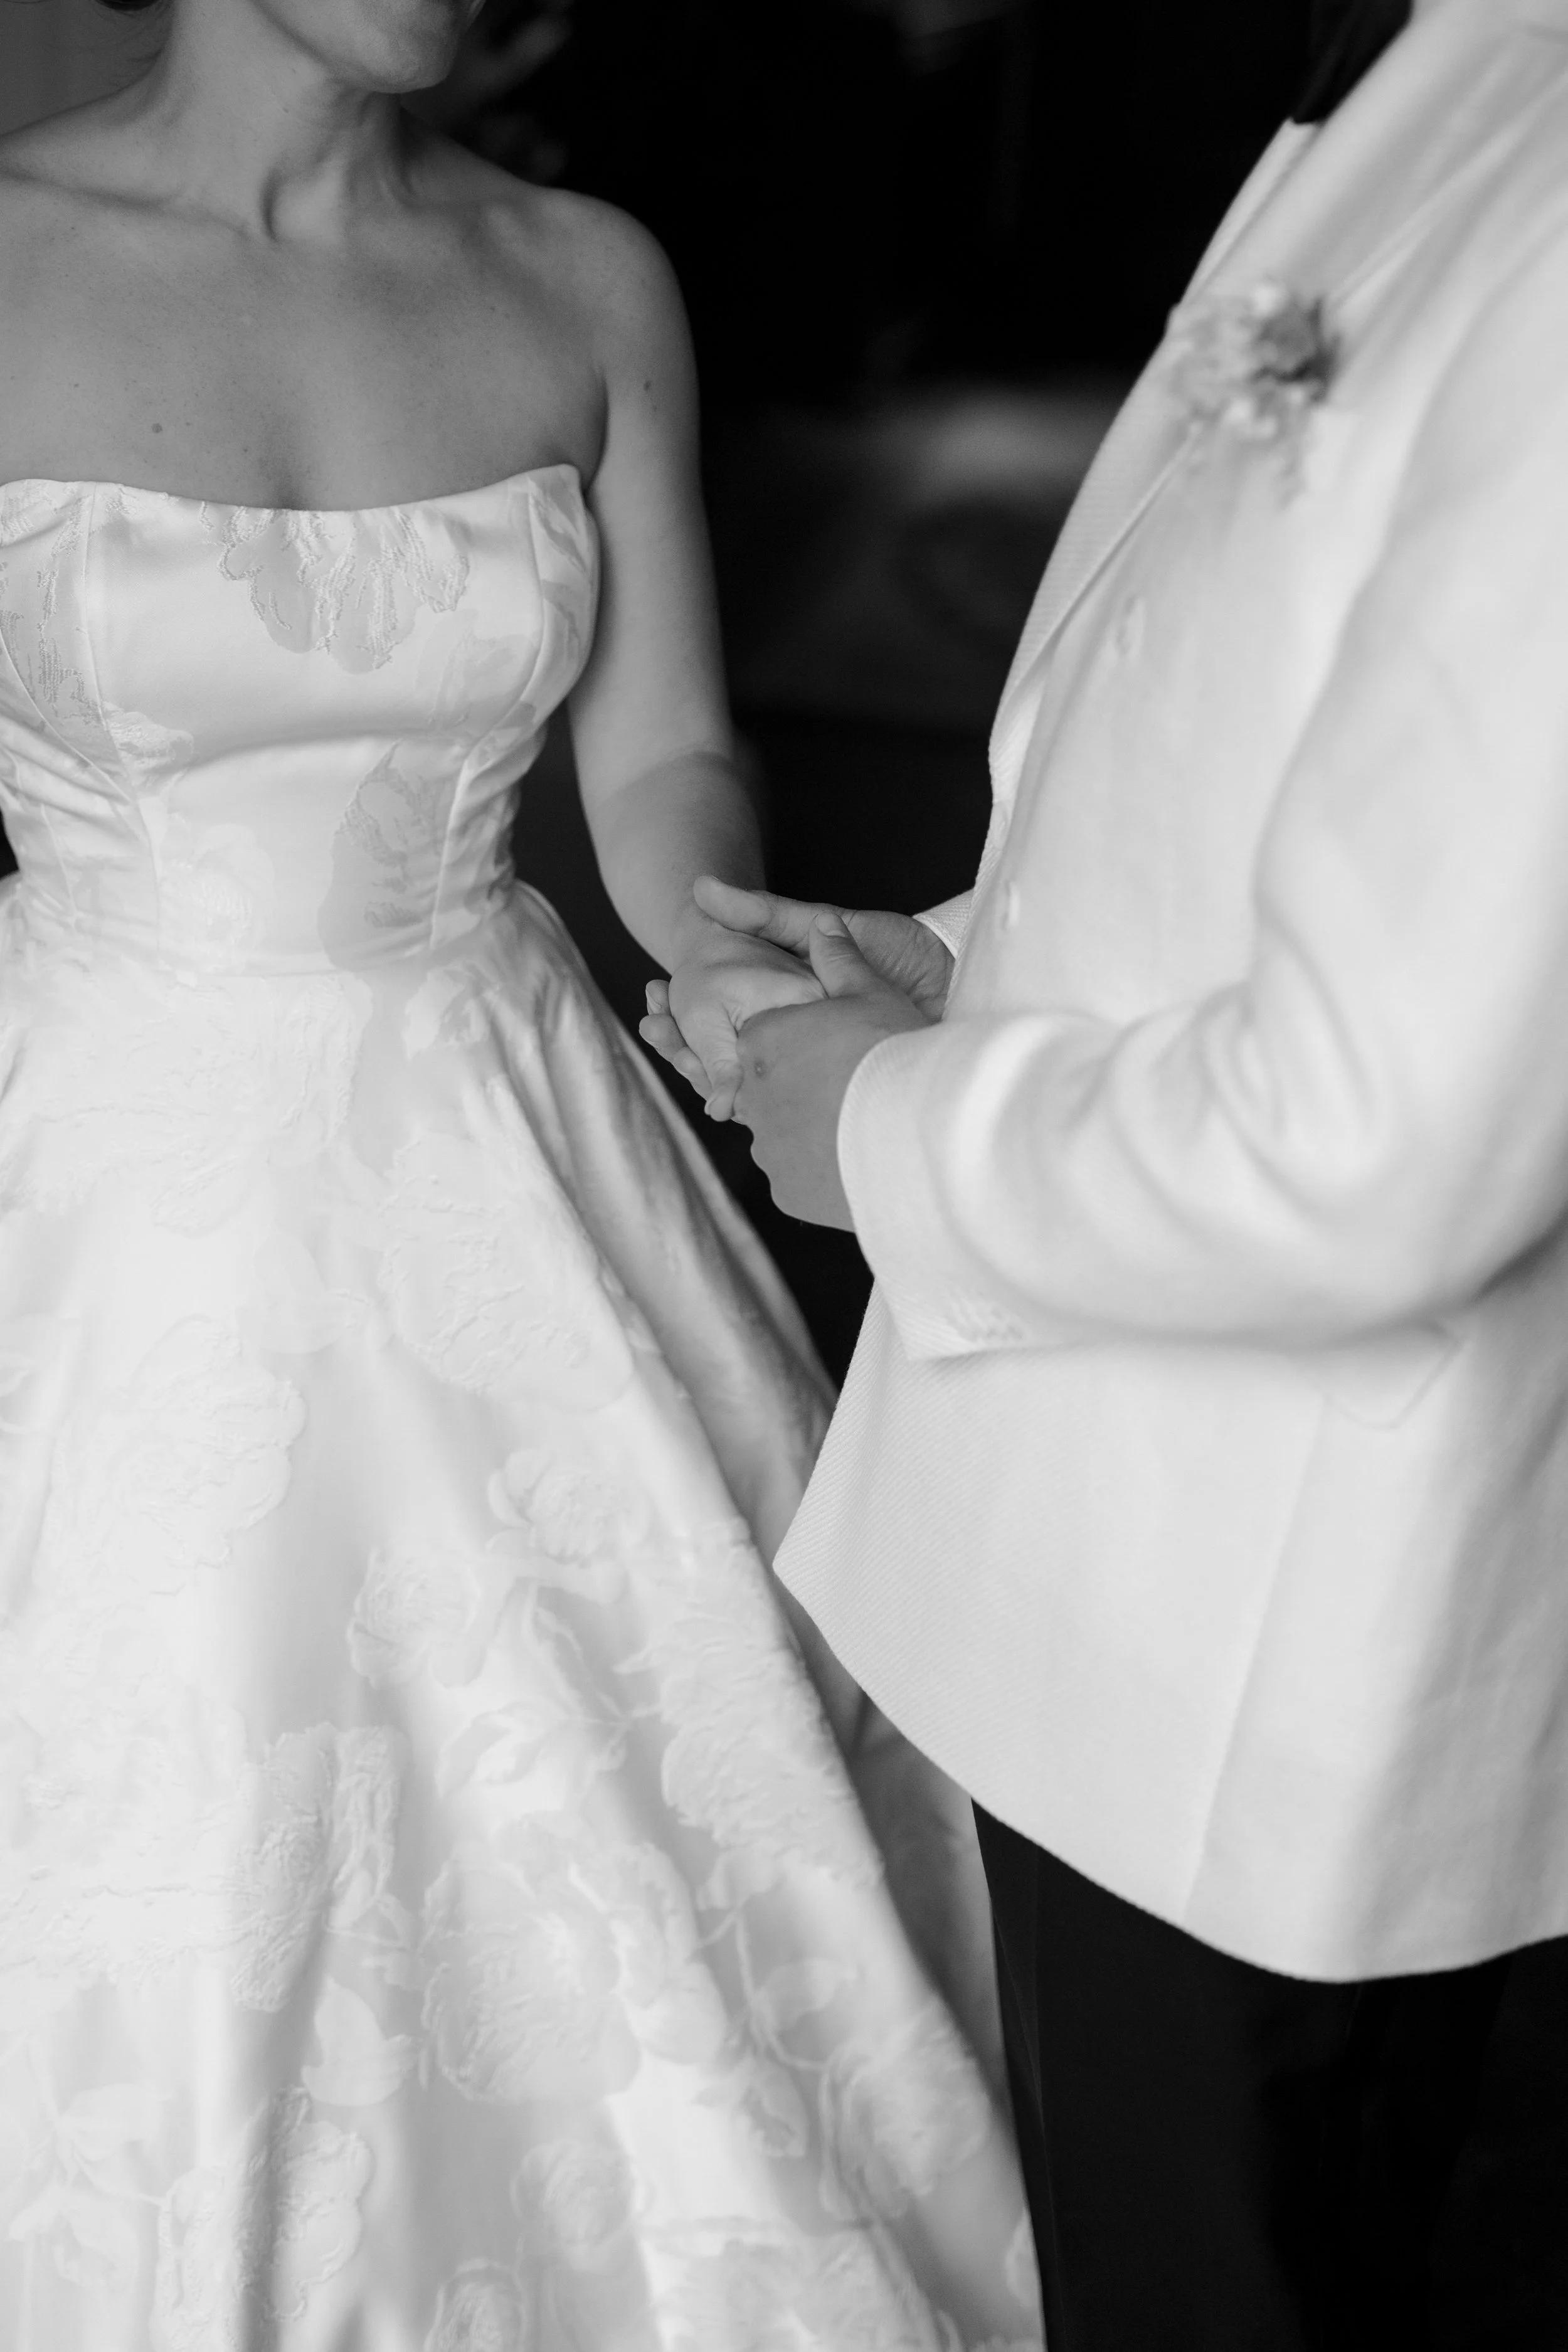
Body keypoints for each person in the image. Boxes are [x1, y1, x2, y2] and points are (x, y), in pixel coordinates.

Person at [0, 4, 1044, 2344]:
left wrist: (721, 931)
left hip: (504, 1136)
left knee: (638, 1887)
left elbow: (662, 746)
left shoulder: (584, 277)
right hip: (96, 1164)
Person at [645, 0, 1568, 2343]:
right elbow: (1318, 806)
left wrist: (877, 1121)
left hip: (1259, 1680)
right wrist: (958, 962)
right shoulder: (1450, 65)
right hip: (1135, 1601)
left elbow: (1377, 1136)